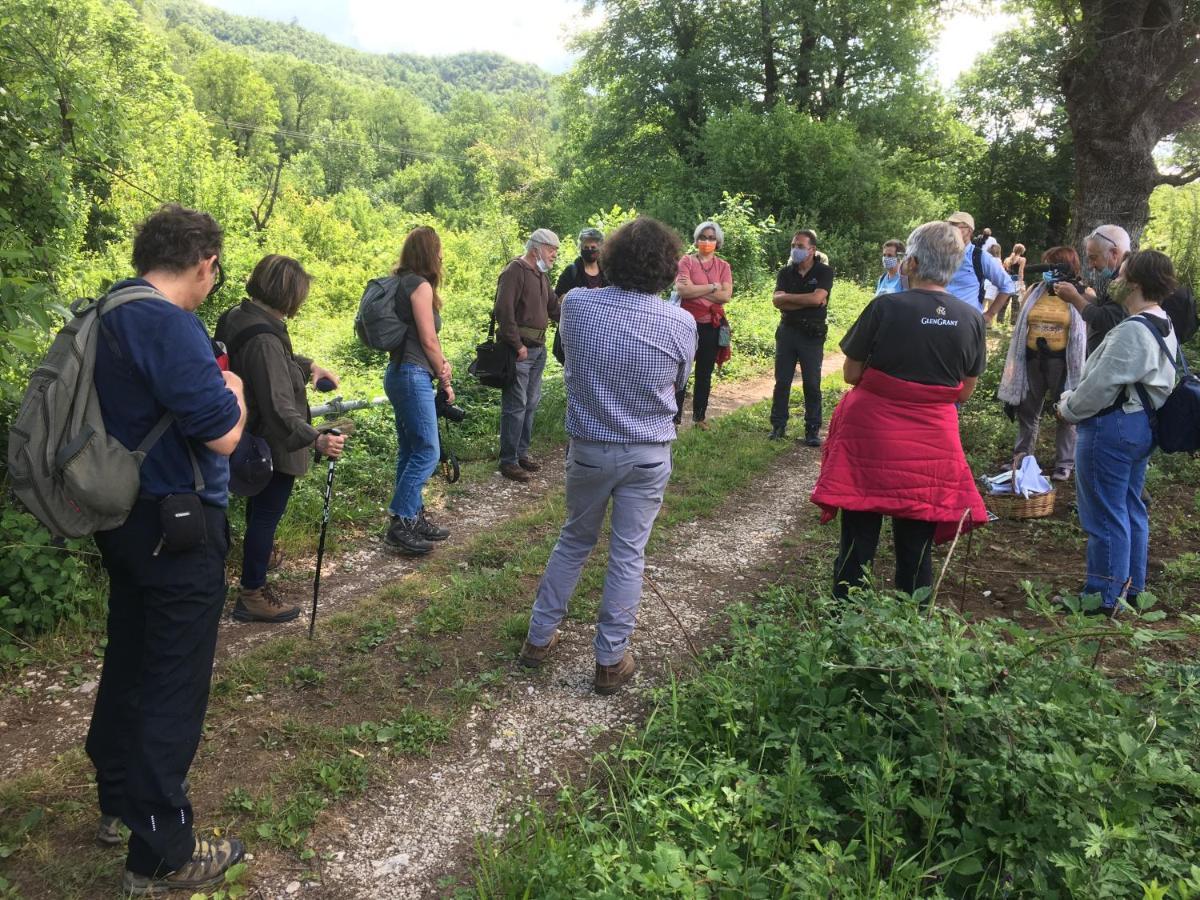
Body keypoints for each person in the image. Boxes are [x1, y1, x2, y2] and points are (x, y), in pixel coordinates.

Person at [87, 204, 247, 894]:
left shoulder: (107, 312)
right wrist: (235, 391)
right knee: (172, 682)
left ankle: (118, 802)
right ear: (205, 262)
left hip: (120, 516)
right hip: (175, 527)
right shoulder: (168, 322)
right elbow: (222, 433)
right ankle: (161, 854)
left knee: (131, 656)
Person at [518, 217, 696, 695]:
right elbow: (678, 386)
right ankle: (609, 660)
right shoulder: (680, 321)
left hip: (591, 449)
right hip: (647, 452)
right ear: (667, 268)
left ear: (611, 258)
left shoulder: (576, 305)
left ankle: (538, 640)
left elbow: (568, 358)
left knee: (574, 541)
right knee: (627, 555)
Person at [811, 220, 988, 600]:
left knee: (857, 541)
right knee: (916, 546)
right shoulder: (972, 317)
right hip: (932, 442)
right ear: (954, 266)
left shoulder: (885, 306)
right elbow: (964, 392)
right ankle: (911, 627)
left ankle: (845, 621)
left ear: (910, 262)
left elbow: (851, 372)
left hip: (870, 437)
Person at [214, 255, 346, 621]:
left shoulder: (240, 316)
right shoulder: (265, 339)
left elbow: (275, 361)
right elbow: (278, 406)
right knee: (265, 517)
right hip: (269, 443)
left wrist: (309, 367)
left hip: (244, 435)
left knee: (260, 514)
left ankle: (258, 566)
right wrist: (315, 438)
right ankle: (252, 593)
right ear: (288, 293)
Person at [1056, 250, 1180, 614]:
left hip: (1113, 426)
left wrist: (1067, 408)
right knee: (1129, 507)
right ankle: (1131, 589)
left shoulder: (1132, 331)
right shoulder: (1163, 322)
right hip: (1141, 425)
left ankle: (1103, 596)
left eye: (1120, 273)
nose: (1114, 280)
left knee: (1104, 514)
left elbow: (1099, 386)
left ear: (1135, 282)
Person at [382, 226, 456, 554]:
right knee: (428, 451)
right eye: (438, 249)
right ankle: (400, 520)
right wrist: (445, 376)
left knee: (409, 450)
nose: (441, 255)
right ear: (429, 252)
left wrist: (439, 365)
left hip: (399, 373)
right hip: (413, 375)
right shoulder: (420, 286)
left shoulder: (401, 282)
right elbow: (428, 339)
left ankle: (412, 517)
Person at [997, 246, 1087, 482]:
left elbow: (1092, 315)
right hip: (1033, 358)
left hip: (1063, 361)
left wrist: (1077, 291)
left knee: (1066, 410)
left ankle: (1065, 462)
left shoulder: (1078, 292)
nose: (1048, 270)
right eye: (1046, 264)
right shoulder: (1036, 290)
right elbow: (1022, 316)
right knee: (1028, 410)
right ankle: (1022, 455)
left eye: (1052, 265)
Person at [495, 228, 560, 482]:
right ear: (537, 248)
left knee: (530, 404)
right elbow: (504, 311)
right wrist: (516, 345)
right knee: (516, 406)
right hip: (519, 351)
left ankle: (521, 453)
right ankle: (508, 461)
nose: (554, 254)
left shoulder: (541, 275)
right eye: (551, 249)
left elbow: (554, 308)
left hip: (538, 350)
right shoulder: (515, 270)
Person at [769, 229, 833, 445]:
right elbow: (777, 301)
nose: (795, 249)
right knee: (782, 381)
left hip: (812, 334)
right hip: (787, 331)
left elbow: (817, 299)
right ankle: (778, 426)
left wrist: (789, 299)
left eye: (800, 246)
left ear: (811, 249)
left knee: (812, 383)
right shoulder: (785, 273)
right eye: (794, 245)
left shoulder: (824, 272)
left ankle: (812, 429)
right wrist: (808, 299)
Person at [674, 220, 732, 430]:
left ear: (718, 242)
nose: (707, 241)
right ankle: (674, 418)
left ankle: (699, 417)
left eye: (711, 238)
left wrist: (698, 289)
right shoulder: (686, 261)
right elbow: (683, 291)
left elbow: (726, 296)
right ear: (696, 239)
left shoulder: (723, 266)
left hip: (712, 326)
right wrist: (712, 287)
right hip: (686, 324)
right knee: (681, 371)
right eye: (703, 237)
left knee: (704, 373)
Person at [1051, 224, 1131, 354]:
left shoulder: (1128, 278)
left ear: (1114, 253)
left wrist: (1075, 298)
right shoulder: (1118, 277)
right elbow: (1110, 310)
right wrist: (1085, 297)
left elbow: (1107, 320)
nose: (1091, 265)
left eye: (1094, 258)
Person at [944, 211, 1016, 321]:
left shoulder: (980, 257)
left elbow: (1007, 285)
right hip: (935, 321)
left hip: (967, 324)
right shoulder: (938, 254)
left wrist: (989, 315)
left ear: (969, 230)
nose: (950, 230)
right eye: (948, 226)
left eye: (955, 227)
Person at [552, 227, 607, 364]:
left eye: (593, 247)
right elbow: (558, 297)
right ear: (580, 247)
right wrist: (585, 296)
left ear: (600, 248)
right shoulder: (572, 271)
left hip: (603, 331)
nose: (589, 250)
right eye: (585, 247)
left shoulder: (607, 271)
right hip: (578, 331)